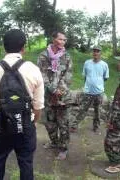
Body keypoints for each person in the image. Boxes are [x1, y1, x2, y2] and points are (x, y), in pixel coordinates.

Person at [0, 29, 44, 180]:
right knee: (26, 163)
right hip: (26, 126)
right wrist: (32, 121)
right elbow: (38, 106)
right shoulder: (33, 70)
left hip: (0, 125)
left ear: (4, 46)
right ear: (23, 47)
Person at [37, 31, 73, 160]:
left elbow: (68, 76)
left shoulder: (66, 56)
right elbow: (41, 74)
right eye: (60, 39)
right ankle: (54, 142)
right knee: (49, 122)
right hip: (48, 95)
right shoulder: (43, 56)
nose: (63, 42)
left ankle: (63, 148)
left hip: (62, 96)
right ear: (53, 39)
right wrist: (52, 89)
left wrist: (60, 90)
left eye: (64, 40)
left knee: (63, 123)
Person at [70, 46, 109, 133]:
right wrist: (88, 85)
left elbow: (105, 78)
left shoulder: (104, 65)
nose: (95, 53)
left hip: (99, 93)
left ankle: (96, 127)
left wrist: (98, 84)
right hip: (87, 92)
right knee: (82, 109)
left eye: (97, 51)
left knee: (97, 112)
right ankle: (74, 126)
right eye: (94, 51)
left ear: (100, 53)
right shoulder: (87, 63)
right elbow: (85, 76)